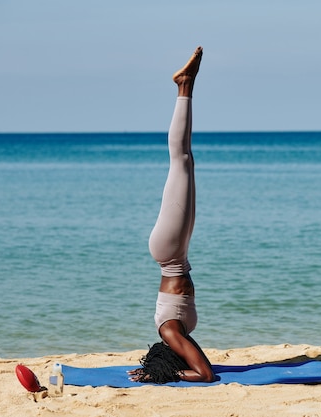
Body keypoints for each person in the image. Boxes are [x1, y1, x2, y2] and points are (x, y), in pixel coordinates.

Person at [128, 46, 215, 383]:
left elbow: (204, 374)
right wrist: (157, 371)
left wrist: (167, 375)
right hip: (176, 253)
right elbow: (201, 368)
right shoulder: (175, 334)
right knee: (185, 160)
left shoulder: (170, 333)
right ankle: (184, 87)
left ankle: (184, 86)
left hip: (170, 252)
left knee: (181, 160)